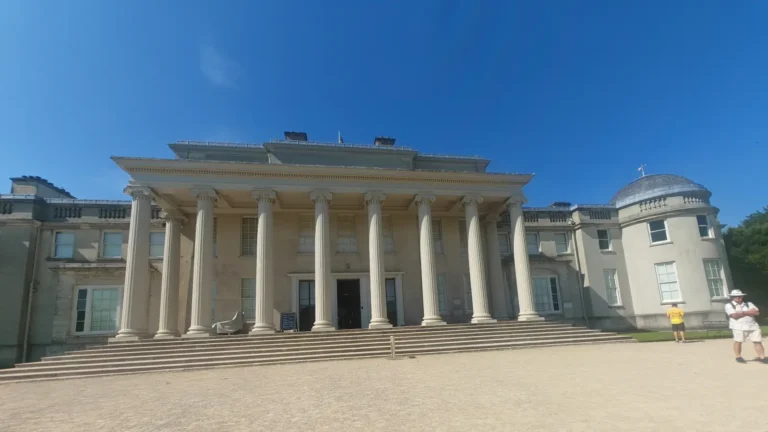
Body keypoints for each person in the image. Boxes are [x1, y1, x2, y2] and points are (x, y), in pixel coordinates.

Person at [724, 290, 766, 364]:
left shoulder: (749, 304)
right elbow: (734, 315)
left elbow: (757, 312)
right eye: (736, 296)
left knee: (758, 341)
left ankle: (762, 357)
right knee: (738, 341)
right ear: (732, 297)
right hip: (738, 326)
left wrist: (742, 313)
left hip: (753, 325)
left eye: (740, 296)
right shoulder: (729, 305)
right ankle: (738, 356)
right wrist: (749, 312)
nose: (738, 297)